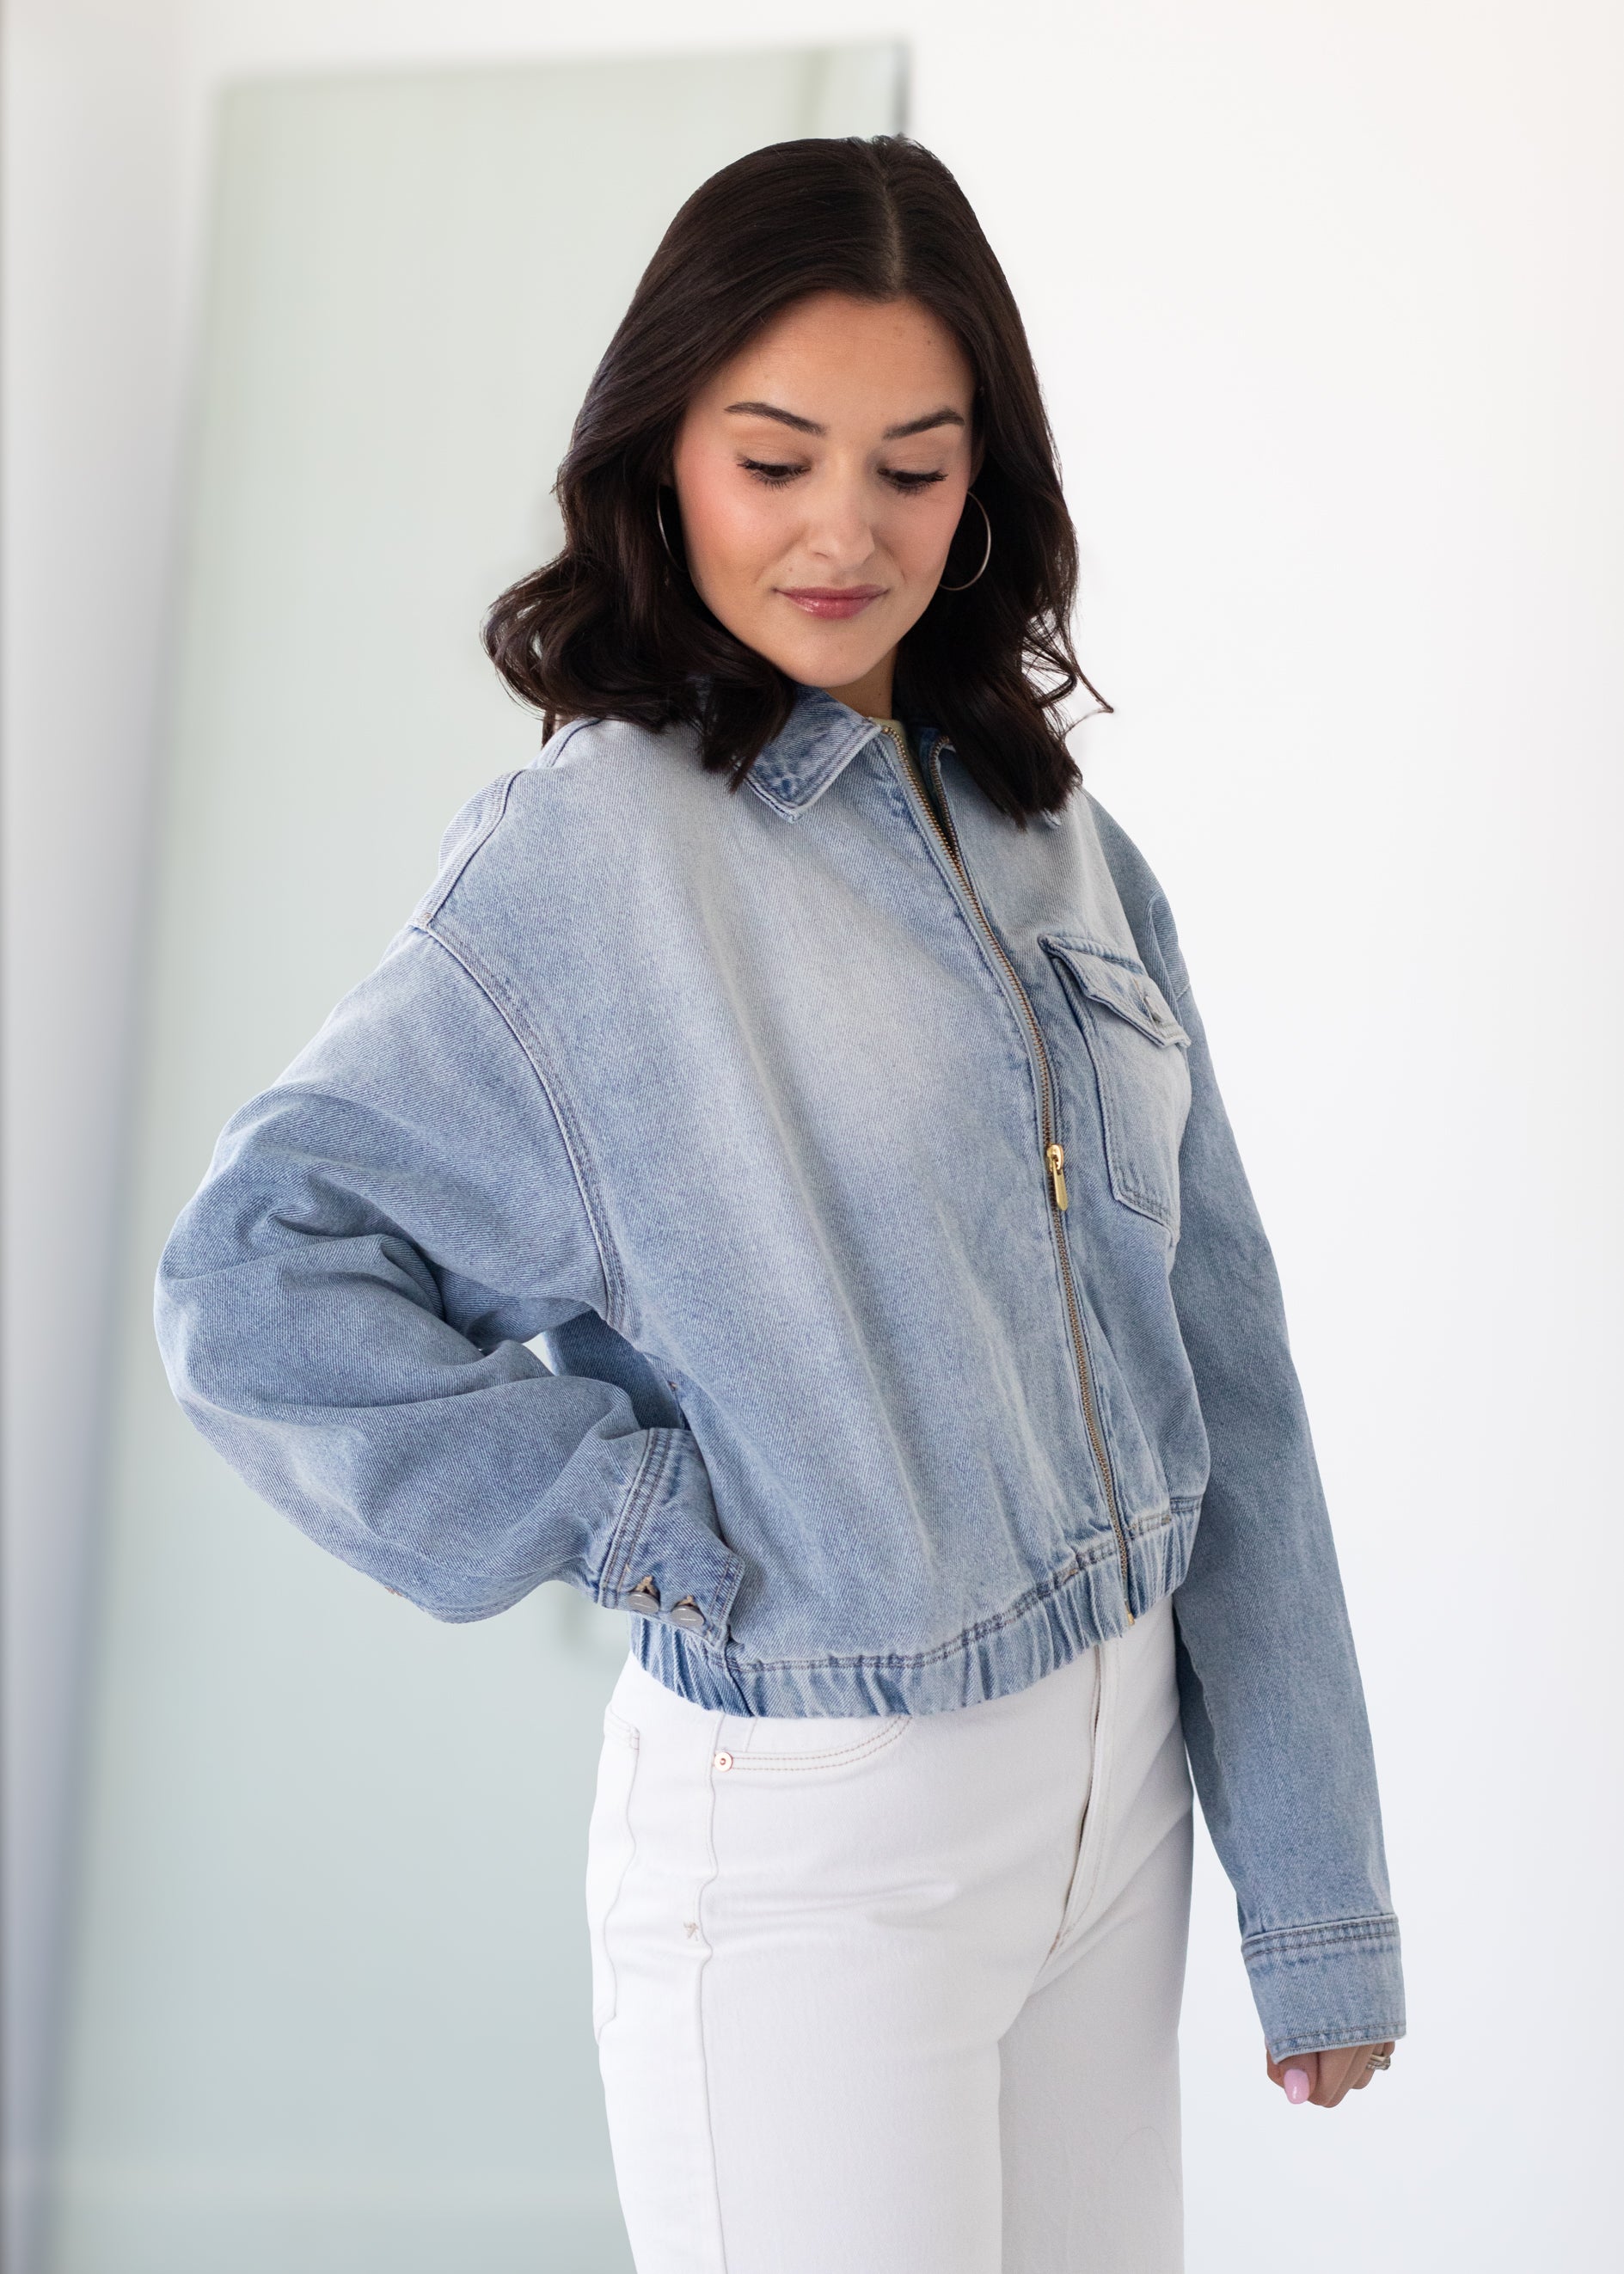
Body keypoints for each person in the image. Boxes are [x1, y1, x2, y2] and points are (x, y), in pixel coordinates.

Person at [156, 134, 1403, 2271]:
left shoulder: (1053, 836)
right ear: (664, 460)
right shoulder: (592, 862)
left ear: (983, 483)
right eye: (775, 456)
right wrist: (637, 1517)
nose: (845, 530)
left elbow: (1228, 1364)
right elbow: (255, 1286)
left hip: (1120, 1804)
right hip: (823, 1841)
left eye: (914, 468)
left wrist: (1315, 1888)